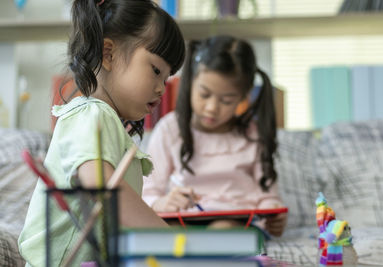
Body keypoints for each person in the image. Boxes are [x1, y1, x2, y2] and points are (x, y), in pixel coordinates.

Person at [18, 0, 185, 266]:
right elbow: (100, 185)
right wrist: (168, 240)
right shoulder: (91, 114)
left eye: (165, 78)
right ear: (109, 54)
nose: (161, 89)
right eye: (155, 71)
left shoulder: (106, 121)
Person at [142, 35, 287, 237]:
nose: (212, 108)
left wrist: (275, 214)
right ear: (190, 83)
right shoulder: (169, 129)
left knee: (222, 232)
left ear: (243, 98)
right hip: (185, 219)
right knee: (167, 234)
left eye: (227, 101)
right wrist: (162, 203)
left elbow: (267, 196)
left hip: (238, 222)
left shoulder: (253, 134)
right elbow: (149, 192)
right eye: (204, 94)